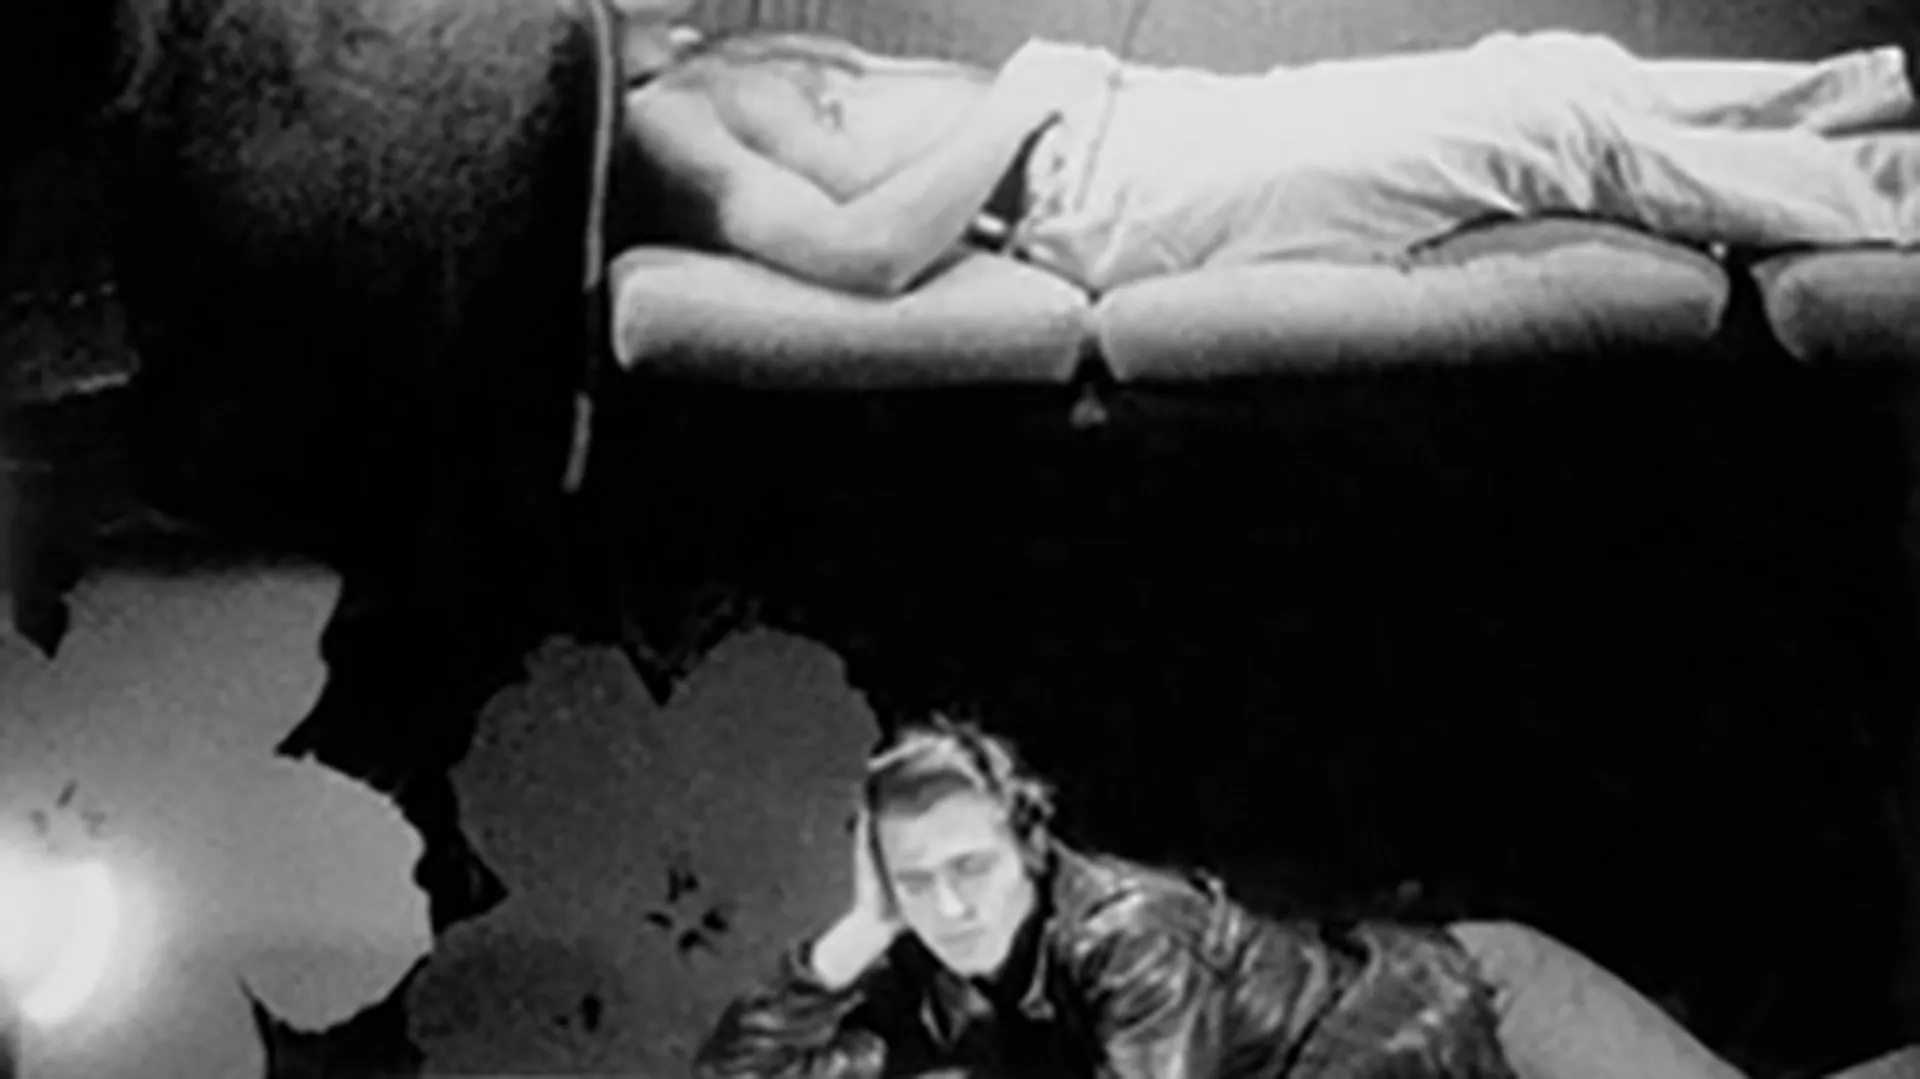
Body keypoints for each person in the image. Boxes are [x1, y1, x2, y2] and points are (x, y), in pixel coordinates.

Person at [693, 716, 1826, 1079]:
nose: (948, 906)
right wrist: (858, 930)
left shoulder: (1126, 930)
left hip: (1485, 1007)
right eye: (916, 881)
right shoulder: (925, 975)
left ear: (1029, 846)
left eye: (970, 867)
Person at [619, 27, 1920, 296]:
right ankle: (1900, 201)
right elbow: (865, 254)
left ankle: (1890, 93)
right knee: (1546, 138)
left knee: (1547, 70)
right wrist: (1019, 104)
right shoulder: (660, 118)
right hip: (1098, 195)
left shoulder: (703, 45)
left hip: (1136, 122)